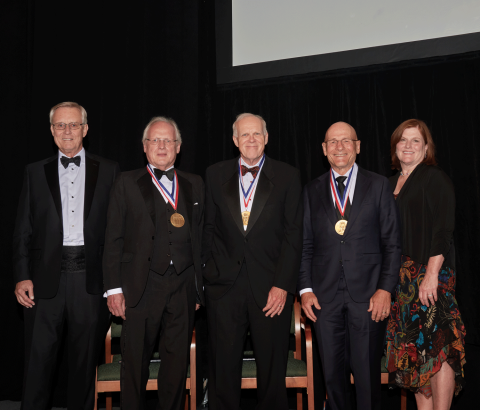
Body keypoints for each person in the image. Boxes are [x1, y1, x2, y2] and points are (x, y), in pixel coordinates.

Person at [13, 102, 120, 410]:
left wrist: (115, 283)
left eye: (74, 124)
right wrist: (22, 276)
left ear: (85, 129)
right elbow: (22, 230)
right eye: (60, 125)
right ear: (52, 130)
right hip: (43, 284)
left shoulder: (110, 170)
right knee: (37, 368)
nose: (67, 131)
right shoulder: (35, 172)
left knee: (84, 371)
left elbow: (118, 231)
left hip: (90, 283)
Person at [298, 121, 402, 410]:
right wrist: (305, 290)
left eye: (346, 141)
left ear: (358, 146)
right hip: (324, 298)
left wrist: (385, 290)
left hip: (369, 297)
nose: (339, 147)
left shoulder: (379, 185)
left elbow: (392, 244)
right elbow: (305, 245)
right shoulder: (311, 190)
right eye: (333, 142)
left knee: (367, 378)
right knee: (332, 378)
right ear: (324, 149)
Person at [202, 113, 303, 410]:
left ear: (266, 138)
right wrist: (207, 275)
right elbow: (207, 228)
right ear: (235, 140)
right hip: (223, 289)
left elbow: (293, 236)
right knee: (222, 372)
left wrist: (282, 285)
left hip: (271, 290)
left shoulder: (288, 176)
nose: (251, 139)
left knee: (272, 373)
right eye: (244, 134)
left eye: (257, 134)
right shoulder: (214, 174)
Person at [103, 117, 204, 410]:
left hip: (183, 286)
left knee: (176, 364)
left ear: (178, 146)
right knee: (135, 364)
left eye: (168, 140)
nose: (162, 146)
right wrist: (113, 289)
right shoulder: (125, 182)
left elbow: (201, 239)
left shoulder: (195, 184)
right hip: (140, 286)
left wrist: (199, 288)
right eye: (155, 140)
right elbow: (112, 238)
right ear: (145, 146)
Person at [385, 119, 466, 410]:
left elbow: (443, 231)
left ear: (426, 147)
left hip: (431, 275)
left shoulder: (434, 178)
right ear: (395, 147)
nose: (408, 145)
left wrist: (431, 275)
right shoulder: (387, 184)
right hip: (401, 283)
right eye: (402, 140)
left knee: (438, 346)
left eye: (415, 140)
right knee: (415, 350)